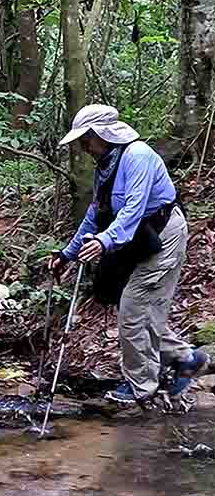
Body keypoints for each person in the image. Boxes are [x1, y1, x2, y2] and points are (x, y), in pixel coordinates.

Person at [49, 104, 209, 407]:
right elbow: (97, 213)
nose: (83, 146)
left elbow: (132, 210)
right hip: (141, 239)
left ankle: (142, 387)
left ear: (102, 134)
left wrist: (105, 241)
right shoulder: (105, 165)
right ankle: (187, 359)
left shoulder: (137, 156)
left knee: (134, 309)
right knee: (144, 310)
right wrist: (67, 253)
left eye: (86, 139)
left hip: (164, 234)